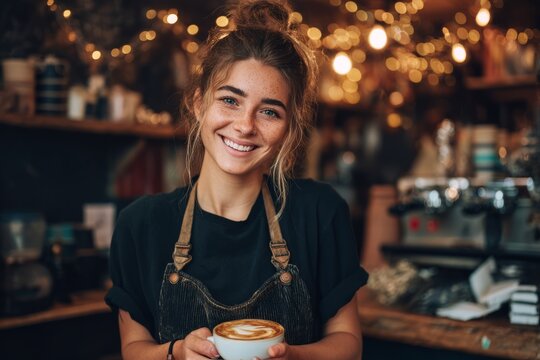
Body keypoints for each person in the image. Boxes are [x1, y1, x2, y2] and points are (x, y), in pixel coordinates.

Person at [105, 1, 369, 359]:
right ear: (199, 104)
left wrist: (292, 357)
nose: (245, 126)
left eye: (269, 111)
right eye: (230, 100)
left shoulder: (320, 213)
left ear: (289, 128)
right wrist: (177, 353)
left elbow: (348, 344)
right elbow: (134, 349)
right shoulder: (141, 224)